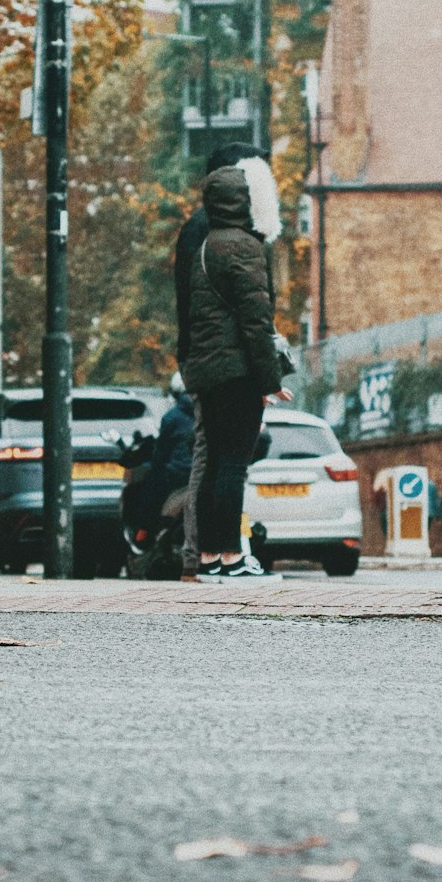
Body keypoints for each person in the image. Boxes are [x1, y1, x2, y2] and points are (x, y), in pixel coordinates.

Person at [181, 150, 292, 578]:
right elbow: (255, 321)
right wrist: (270, 380)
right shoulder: (245, 248)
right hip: (238, 373)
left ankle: (208, 555)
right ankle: (231, 555)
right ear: (244, 201)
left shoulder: (206, 246)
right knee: (233, 464)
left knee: (211, 464)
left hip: (207, 371)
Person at [139, 372, 195, 532]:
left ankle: (145, 532)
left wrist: (154, 464)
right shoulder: (209, 412)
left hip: (178, 474)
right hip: (206, 472)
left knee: (151, 483)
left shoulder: (172, 416)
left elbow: (162, 451)